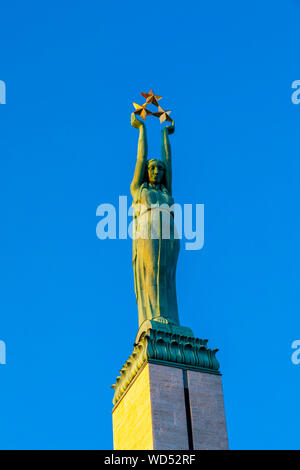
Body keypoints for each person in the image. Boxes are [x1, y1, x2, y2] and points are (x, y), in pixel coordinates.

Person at [130, 112, 180, 328]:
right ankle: (153, 315)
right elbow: (141, 158)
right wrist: (141, 129)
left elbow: (169, 160)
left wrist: (165, 134)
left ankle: (170, 318)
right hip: (148, 227)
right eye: (152, 167)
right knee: (152, 268)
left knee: (167, 274)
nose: (157, 171)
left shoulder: (165, 191)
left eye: (160, 168)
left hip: (168, 230)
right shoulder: (139, 189)